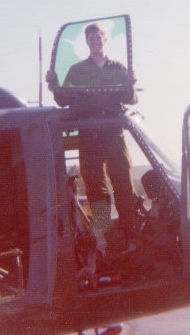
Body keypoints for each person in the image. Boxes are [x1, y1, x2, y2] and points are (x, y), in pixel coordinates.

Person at [47, 22, 138, 258]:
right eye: (91, 38)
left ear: (105, 40)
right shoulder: (77, 71)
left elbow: (130, 99)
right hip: (89, 135)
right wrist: (53, 83)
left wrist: (131, 83)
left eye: (98, 37)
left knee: (124, 183)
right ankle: (104, 238)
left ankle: (131, 235)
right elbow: (62, 99)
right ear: (87, 42)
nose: (95, 41)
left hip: (113, 132)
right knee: (96, 187)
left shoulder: (118, 68)